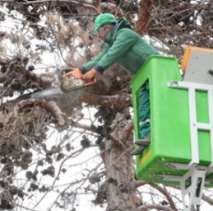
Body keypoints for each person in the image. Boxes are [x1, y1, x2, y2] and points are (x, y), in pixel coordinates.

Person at [66, 13, 159, 155]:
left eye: (99, 31)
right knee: (143, 107)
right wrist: (81, 69)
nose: (99, 35)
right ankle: (147, 138)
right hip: (144, 76)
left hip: (159, 70)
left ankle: (159, 135)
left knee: (159, 105)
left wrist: (94, 71)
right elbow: (100, 58)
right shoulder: (112, 43)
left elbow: (113, 54)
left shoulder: (125, 34)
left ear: (107, 27)